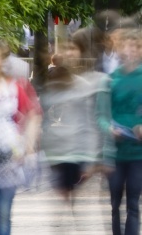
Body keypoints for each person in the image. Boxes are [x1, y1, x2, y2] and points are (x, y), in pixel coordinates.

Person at [99, 29, 142, 235]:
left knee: (134, 205)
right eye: (125, 46)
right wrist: (109, 128)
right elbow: (100, 115)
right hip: (115, 153)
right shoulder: (109, 81)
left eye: (135, 46)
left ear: (141, 50)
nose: (130, 50)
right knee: (114, 205)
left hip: (141, 153)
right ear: (118, 49)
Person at [0, 38, 41, 235]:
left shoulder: (14, 87)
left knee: (3, 212)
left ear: (2, 60)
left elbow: (32, 115)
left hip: (7, 154)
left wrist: (28, 146)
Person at [40, 38, 105, 209]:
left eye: (72, 49)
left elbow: (90, 121)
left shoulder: (85, 83)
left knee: (70, 194)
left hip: (77, 150)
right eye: (64, 49)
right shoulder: (50, 83)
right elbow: (45, 117)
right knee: (63, 195)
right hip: (56, 151)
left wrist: (91, 157)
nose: (68, 53)